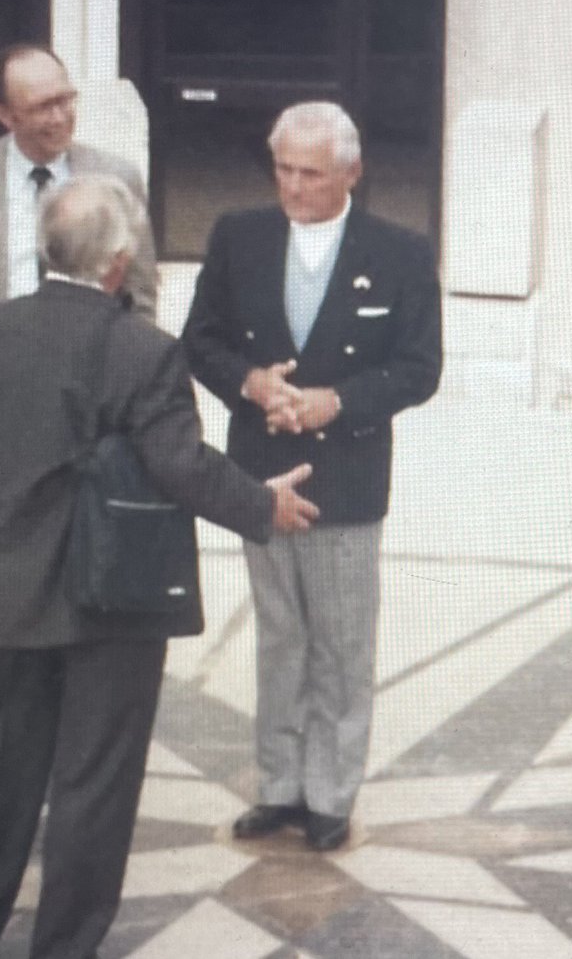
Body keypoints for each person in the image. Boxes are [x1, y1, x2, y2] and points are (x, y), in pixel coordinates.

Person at [0, 174, 318, 959]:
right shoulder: (144, 350)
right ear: (116, 262)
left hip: (8, 595)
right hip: (116, 605)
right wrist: (258, 503)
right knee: (92, 794)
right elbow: (178, 465)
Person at [181, 101, 443, 851]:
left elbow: (420, 367)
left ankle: (330, 792)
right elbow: (201, 340)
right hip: (260, 474)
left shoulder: (399, 251)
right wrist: (253, 383)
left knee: (340, 641)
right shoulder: (240, 236)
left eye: (312, 173)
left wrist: (339, 402)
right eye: (283, 170)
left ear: (352, 172)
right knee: (279, 637)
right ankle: (280, 785)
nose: (294, 188)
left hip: (347, 476)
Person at [0, 44, 157, 317]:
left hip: (89, 352)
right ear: (5, 115)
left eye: (65, 100)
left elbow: (140, 296)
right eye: (43, 107)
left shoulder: (116, 177)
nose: (59, 118)